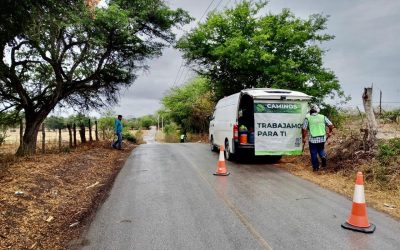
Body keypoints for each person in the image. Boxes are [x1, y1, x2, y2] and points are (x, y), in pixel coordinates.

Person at [302, 105, 334, 171]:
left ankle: (315, 168)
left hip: (313, 139)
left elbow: (304, 129)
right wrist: (330, 132)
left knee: (313, 153)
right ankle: (323, 156)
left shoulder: (308, 118)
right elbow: (331, 125)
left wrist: (304, 137)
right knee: (321, 150)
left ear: (310, 111)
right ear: (317, 111)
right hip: (322, 138)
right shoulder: (323, 117)